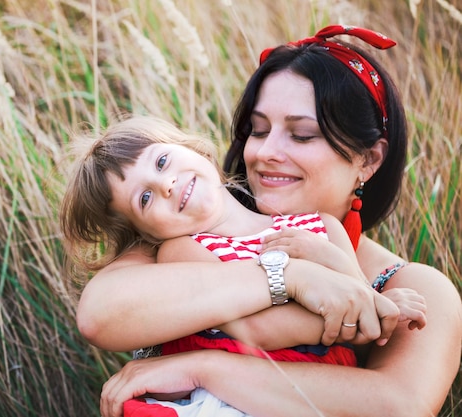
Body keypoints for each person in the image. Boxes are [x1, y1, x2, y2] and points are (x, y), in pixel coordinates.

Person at [75, 25, 462, 417]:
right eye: (257, 130)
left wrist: (202, 369)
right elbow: (99, 314)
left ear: (369, 160)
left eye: (302, 134)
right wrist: (291, 278)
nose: (265, 152)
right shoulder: (179, 235)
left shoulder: (410, 282)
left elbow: (400, 407)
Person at [60, 115, 427, 416]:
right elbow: (257, 330)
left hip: (321, 392)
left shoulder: (322, 227)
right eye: (144, 198)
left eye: (161, 161)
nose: (166, 185)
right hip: (238, 401)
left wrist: (360, 292)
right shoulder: (184, 250)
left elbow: (355, 288)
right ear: (144, 232)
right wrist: (375, 312)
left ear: (191, 148)